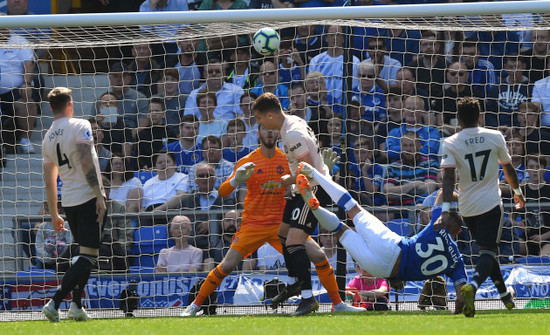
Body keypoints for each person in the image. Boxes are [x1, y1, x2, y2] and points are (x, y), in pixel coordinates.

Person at [181, 124, 361, 316]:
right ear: (258, 133)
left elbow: (306, 184)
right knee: (226, 265)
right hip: (253, 226)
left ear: (278, 133)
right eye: (265, 129)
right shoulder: (247, 161)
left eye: (273, 129)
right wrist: (236, 180)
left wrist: (324, 172)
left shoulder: (288, 160)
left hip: (282, 226)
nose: (270, 132)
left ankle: (338, 304)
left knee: (318, 256)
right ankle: (195, 305)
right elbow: (224, 191)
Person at [293, 161, 467, 315]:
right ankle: (314, 208)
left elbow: (444, 192)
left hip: (391, 246)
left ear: (443, 219)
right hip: (381, 270)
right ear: (458, 232)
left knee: (351, 207)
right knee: (340, 230)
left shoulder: (436, 225)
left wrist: (458, 203)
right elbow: (461, 297)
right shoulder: (456, 261)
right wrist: (457, 311)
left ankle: (313, 173)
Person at [252, 93, 364, 316]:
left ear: (270, 114)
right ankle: (294, 282)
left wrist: (288, 180)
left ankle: (307, 298)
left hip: (310, 189)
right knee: (283, 234)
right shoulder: (294, 122)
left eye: (259, 118)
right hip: (301, 189)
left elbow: (309, 170)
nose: (259, 123)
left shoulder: (292, 134)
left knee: (294, 242)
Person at [439, 97, 526, 317]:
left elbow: (448, 178)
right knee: (488, 252)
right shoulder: (495, 136)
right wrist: (517, 193)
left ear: (458, 119)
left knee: (488, 252)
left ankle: (505, 296)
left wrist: (447, 210)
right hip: (490, 204)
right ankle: (473, 286)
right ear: (480, 116)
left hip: (467, 208)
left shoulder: (450, 142)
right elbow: (508, 169)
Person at [41, 87, 107, 322]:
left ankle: (76, 306)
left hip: (68, 201)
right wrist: (99, 195)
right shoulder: (80, 125)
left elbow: (49, 183)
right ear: (70, 103)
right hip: (88, 197)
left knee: (85, 254)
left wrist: (54, 214)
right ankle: (56, 301)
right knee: (88, 255)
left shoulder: (47, 137)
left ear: (51, 107)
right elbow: (87, 161)